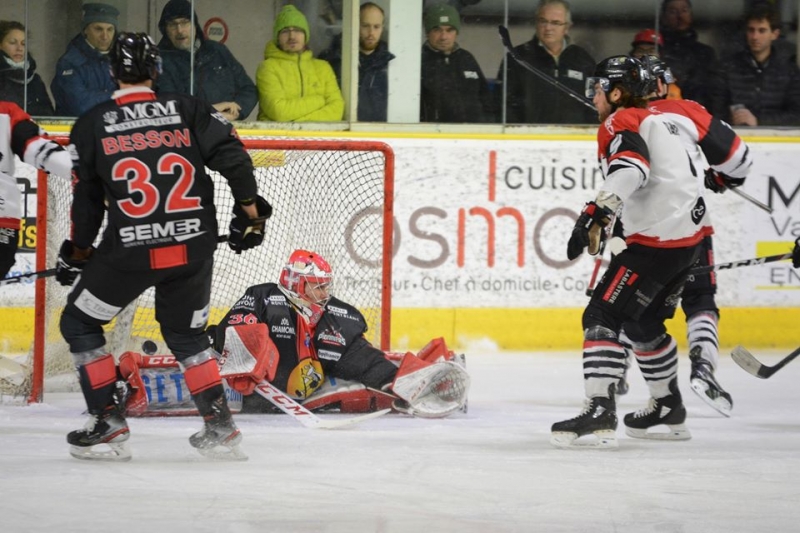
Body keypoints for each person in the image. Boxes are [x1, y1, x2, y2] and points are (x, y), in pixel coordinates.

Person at [56, 32, 271, 462]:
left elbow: (87, 206)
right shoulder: (187, 108)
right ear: (155, 71)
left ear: (113, 72)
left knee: (79, 323)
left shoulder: (92, 123)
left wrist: (78, 252)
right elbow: (234, 157)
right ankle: (220, 427)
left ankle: (108, 422)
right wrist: (250, 213)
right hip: (193, 247)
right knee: (187, 334)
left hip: (130, 254)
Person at [550, 56, 745, 449]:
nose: (594, 95)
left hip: (656, 245)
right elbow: (731, 162)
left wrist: (596, 212)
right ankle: (667, 406)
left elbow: (631, 169)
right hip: (689, 244)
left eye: (600, 88)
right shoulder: (667, 119)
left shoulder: (620, 121)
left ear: (617, 92)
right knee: (642, 324)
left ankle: (600, 410)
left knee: (601, 314)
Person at [614, 55, 753, 417]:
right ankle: (704, 366)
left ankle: (614, 367)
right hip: (691, 229)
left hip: (640, 232)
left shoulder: (621, 119)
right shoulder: (684, 111)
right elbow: (739, 158)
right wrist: (722, 179)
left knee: (624, 299)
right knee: (700, 297)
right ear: (658, 84)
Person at [203, 249, 469, 418]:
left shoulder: (336, 315)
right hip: (255, 402)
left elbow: (360, 358)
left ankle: (414, 382)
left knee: (367, 362)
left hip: (305, 394)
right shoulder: (263, 296)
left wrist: (394, 381)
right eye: (316, 286)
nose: (324, 293)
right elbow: (234, 328)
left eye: (325, 286)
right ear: (296, 283)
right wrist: (245, 355)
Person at [0, 101, 72, 279]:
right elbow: (37, 148)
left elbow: (35, 145)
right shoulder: (6, 112)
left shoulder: (6, 112)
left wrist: (78, 170)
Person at [495, 0, 595, 124]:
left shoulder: (582, 59)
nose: (548, 28)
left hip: (575, 138)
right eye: (543, 21)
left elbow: (596, 105)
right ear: (536, 23)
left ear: (567, 27)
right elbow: (502, 105)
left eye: (555, 23)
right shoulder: (518, 57)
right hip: (529, 139)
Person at [156, 0, 257, 122]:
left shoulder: (217, 51)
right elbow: (168, 105)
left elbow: (248, 89)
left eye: (185, 22)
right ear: (165, 29)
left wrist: (235, 112)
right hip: (186, 135)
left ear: (195, 25)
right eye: (173, 24)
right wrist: (211, 112)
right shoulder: (159, 60)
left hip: (225, 132)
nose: (180, 30)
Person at [255, 5, 344, 122]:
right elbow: (279, 112)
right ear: (277, 37)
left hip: (316, 139)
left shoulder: (323, 68)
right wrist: (319, 100)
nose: (292, 36)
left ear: (306, 35)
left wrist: (298, 122)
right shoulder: (267, 68)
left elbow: (336, 111)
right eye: (285, 31)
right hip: (277, 138)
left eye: (297, 30)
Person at [719, 3, 800, 127]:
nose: (755, 36)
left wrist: (758, 120)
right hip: (735, 137)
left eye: (761, 31)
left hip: (778, 141)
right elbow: (715, 108)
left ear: (775, 34)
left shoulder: (789, 71)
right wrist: (731, 118)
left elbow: (796, 115)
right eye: (751, 30)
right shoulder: (728, 67)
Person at [318, 2, 395, 122]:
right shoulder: (331, 60)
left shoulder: (391, 64)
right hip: (339, 132)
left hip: (380, 134)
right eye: (365, 26)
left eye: (376, 27)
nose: (371, 33)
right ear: (355, 24)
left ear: (382, 27)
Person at [419, 3, 493, 123]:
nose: (444, 36)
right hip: (434, 135)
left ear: (456, 32)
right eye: (437, 30)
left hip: (472, 134)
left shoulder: (466, 58)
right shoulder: (418, 60)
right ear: (428, 33)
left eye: (450, 30)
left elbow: (486, 99)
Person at [51, 2, 119, 117]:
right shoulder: (70, 62)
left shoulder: (119, 59)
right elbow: (80, 105)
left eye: (110, 29)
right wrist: (118, 96)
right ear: (85, 30)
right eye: (98, 29)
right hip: (77, 131)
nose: (105, 36)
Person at [659, 0, 722, 116]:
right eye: (673, 11)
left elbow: (716, 93)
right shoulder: (658, 52)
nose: (680, 16)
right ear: (664, 17)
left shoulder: (705, 54)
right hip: (664, 116)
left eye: (684, 10)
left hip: (698, 118)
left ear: (691, 15)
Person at [0, 21, 54, 116]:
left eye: (23, 44)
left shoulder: (34, 79)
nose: (19, 48)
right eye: (13, 42)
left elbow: (48, 115)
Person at [629, 29, 682, 100]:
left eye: (651, 51)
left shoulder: (667, 74)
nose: (645, 55)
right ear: (633, 54)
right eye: (640, 50)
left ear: (661, 54)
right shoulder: (626, 74)